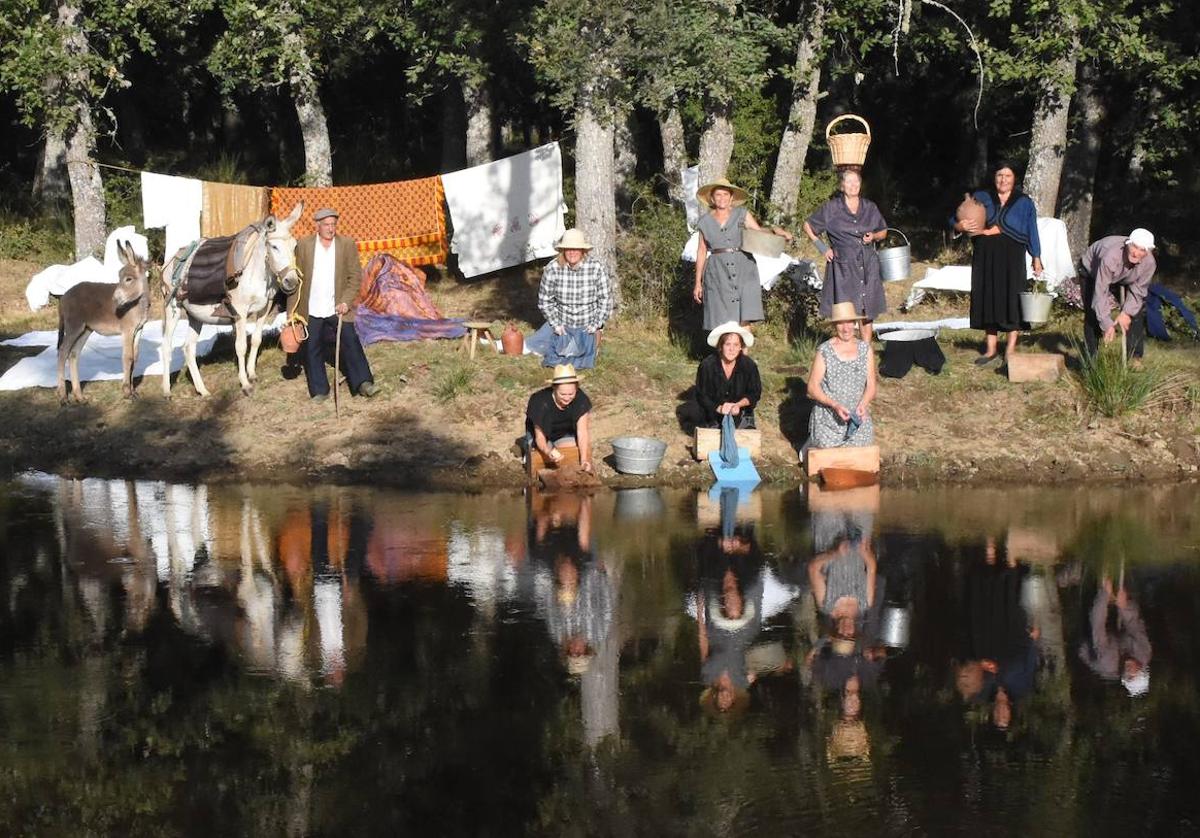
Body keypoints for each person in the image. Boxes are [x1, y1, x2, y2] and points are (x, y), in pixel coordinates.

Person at [953, 162, 1044, 365]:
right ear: (995, 178)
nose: (1003, 180)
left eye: (1008, 176)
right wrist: (960, 225)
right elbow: (956, 218)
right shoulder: (983, 197)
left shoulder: (1023, 202)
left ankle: (1010, 350)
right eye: (1000, 175)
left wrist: (1036, 256)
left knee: (1012, 298)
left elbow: (1031, 229)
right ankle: (991, 349)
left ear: (1014, 179)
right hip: (985, 254)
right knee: (988, 297)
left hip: (1012, 256)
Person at [291, 207, 378, 400]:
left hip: (337, 307)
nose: (331, 228)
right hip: (311, 308)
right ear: (318, 226)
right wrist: (292, 313)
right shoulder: (304, 245)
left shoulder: (346, 244)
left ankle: (363, 382)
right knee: (312, 347)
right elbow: (295, 279)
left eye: (333, 224)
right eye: (327, 225)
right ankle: (320, 391)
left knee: (350, 341)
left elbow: (355, 276)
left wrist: (346, 302)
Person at [693, 177, 792, 330]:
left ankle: (743, 353)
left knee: (744, 314)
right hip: (717, 270)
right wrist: (697, 282)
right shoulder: (704, 221)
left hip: (743, 267)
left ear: (731, 197)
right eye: (718, 195)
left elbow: (758, 233)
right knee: (720, 315)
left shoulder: (742, 214)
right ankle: (724, 352)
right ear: (712, 198)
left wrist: (775, 231)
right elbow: (701, 251)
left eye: (726, 194)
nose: (722, 198)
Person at [803, 168, 889, 342]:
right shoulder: (831, 208)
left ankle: (866, 351)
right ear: (842, 186)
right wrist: (822, 248)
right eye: (849, 182)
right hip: (843, 265)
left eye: (856, 181)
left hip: (867, 263)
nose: (853, 185)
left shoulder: (870, 207)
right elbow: (808, 226)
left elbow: (883, 231)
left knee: (867, 310)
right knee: (844, 311)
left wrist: (873, 236)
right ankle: (846, 350)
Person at [525, 228, 612, 369]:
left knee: (583, 362)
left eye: (576, 249)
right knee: (552, 359)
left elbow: (605, 299)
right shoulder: (552, 268)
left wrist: (596, 324)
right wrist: (556, 324)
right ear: (563, 250)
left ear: (583, 251)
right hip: (563, 325)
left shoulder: (596, 268)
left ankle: (591, 348)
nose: (572, 252)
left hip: (587, 325)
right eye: (568, 249)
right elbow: (545, 301)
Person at [806, 301, 877, 449]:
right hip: (829, 419)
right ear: (834, 326)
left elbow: (871, 385)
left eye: (849, 323)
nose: (846, 328)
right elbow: (812, 388)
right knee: (828, 454)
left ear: (855, 323)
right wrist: (835, 405)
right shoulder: (824, 350)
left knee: (861, 453)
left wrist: (863, 404)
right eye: (840, 324)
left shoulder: (865, 349)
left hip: (857, 417)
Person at [1080, 229, 1158, 360]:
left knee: (1135, 311)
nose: (1136, 252)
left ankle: (1135, 356)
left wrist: (1126, 313)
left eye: (1142, 250)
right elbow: (1101, 292)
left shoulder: (1149, 264)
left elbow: (1138, 292)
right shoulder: (1111, 256)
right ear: (1128, 244)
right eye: (1134, 247)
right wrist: (1106, 323)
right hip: (1093, 272)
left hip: (1127, 275)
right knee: (1093, 313)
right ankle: (1090, 361)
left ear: (1148, 251)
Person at [1078, 574, 1152, 697]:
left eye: (1128, 677)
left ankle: (1081, 577)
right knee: (1127, 600)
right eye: (1135, 673)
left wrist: (1104, 595)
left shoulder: (1107, 663)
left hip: (1091, 641)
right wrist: (1124, 606)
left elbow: (1097, 626)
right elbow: (1134, 623)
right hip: (1118, 636)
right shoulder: (1144, 652)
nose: (1129, 671)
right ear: (1142, 669)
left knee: (1094, 604)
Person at [685, 321, 762, 430]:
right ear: (720, 346)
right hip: (713, 414)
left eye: (736, 345)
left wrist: (738, 405)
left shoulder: (749, 366)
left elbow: (755, 393)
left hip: (741, 414)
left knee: (745, 442)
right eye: (728, 344)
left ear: (741, 347)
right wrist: (719, 408)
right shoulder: (707, 366)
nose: (732, 349)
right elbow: (702, 395)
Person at [524, 364, 594, 473]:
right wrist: (548, 451)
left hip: (564, 432)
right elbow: (540, 438)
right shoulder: (539, 402)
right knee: (542, 456)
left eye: (571, 394)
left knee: (570, 452)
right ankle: (526, 447)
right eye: (562, 394)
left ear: (577, 388)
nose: (567, 398)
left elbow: (582, 432)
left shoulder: (581, 399)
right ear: (554, 388)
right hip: (540, 434)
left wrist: (584, 459)